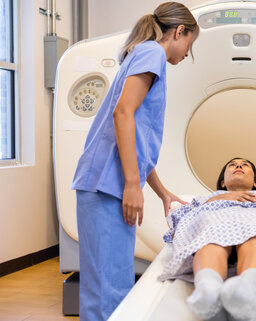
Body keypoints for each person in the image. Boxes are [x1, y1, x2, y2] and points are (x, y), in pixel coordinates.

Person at [71, 3, 199, 320]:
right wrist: (131, 185)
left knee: (105, 286)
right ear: (179, 31)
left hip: (102, 184)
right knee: (109, 290)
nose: (188, 54)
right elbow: (123, 114)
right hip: (108, 185)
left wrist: (162, 192)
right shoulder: (153, 53)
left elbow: (135, 138)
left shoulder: (143, 54)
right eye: (190, 45)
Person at [159, 157, 256, 320]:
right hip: (216, 229)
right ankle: (208, 288)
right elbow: (178, 230)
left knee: (255, 235)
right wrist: (213, 201)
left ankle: (248, 288)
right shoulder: (206, 199)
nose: (239, 165)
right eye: (232, 165)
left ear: (254, 183)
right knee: (212, 239)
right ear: (223, 183)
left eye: (245, 165)